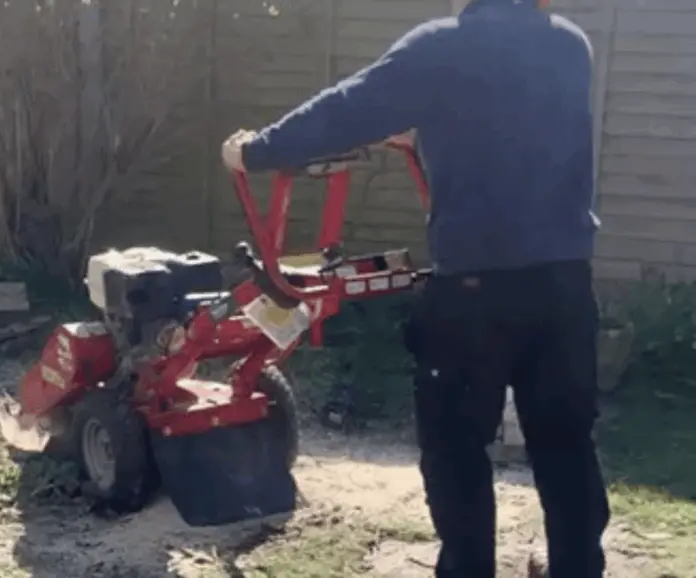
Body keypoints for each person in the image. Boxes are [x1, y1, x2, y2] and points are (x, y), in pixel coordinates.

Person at [221, 0, 609, 577]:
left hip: (476, 293)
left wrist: (256, 149)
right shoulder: (570, 46)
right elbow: (509, 122)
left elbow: (348, 108)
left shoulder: (440, 46)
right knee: (565, 444)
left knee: (455, 451)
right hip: (564, 285)